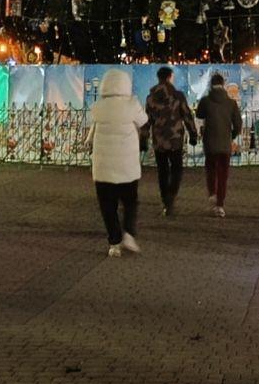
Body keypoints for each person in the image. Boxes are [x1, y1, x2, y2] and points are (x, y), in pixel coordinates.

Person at [87, 70, 147, 256]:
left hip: (103, 167)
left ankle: (114, 243)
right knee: (130, 202)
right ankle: (128, 233)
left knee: (107, 205)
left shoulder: (98, 106)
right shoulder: (132, 104)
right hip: (127, 167)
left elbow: (92, 126)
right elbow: (144, 122)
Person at [145, 67, 199, 216]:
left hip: (159, 139)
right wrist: (193, 134)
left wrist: (143, 138)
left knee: (162, 171)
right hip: (175, 139)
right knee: (176, 169)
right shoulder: (178, 96)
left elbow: (147, 120)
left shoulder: (151, 97)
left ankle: (165, 200)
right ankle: (171, 195)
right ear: (170, 77)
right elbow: (187, 116)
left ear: (158, 78)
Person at [195, 71, 241, 217]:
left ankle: (212, 192)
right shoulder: (231, 103)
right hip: (225, 144)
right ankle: (220, 205)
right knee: (223, 175)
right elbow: (238, 124)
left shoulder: (206, 101)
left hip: (210, 143)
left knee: (211, 170)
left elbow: (199, 115)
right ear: (223, 85)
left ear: (211, 85)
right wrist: (231, 135)